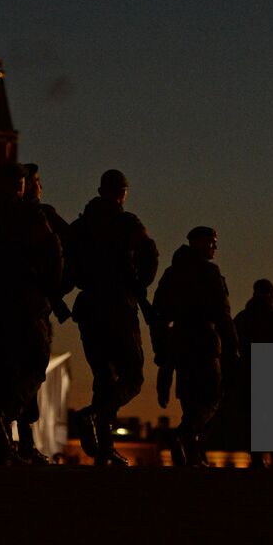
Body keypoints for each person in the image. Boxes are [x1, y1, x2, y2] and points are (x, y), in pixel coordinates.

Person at [64, 169, 158, 465]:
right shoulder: (126, 223)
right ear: (122, 193)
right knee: (132, 376)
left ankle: (105, 448)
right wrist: (139, 285)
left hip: (89, 306)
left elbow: (65, 263)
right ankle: (93, 416)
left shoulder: (79, 227)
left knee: (104, 378)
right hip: (118, 305)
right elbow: (149, 253)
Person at [0, 162, 62, 465]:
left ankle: (9, 443)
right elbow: (53, 252)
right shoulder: (29, 214)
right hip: (25, 305)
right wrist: (49, 287)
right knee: (34, 367)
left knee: (6, 373)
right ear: (20, 185)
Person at [151, 226, 237, 467]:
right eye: (212, 242)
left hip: (180, 344)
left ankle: (190, 453)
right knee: (211, 396)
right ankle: (183, 437)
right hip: (204, 343)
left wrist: (162, 350)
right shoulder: (209, 272)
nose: (215, 247)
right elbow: (223, 314)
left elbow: (158, 315)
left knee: (190, 401)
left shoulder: (171, 274)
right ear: (198, 243)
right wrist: (233, 346)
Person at [232, 278, 273, 468]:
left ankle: (257, 456)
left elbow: (233, 344)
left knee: (251, 416)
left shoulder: (242, 318)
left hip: (248, 373)